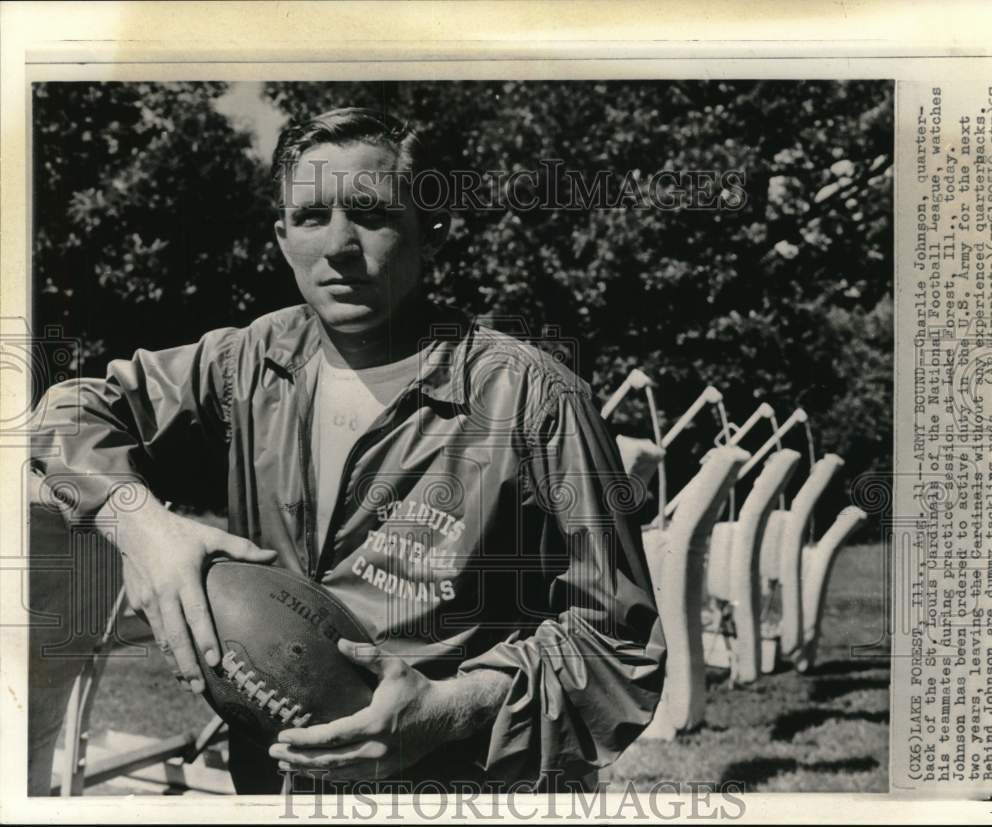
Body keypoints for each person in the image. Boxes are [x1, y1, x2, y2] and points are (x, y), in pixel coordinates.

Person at [29, 107, 666, 795]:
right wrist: (142, 527)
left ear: (431, 228)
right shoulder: (246, 364)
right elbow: (66, 414)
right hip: (273, 792)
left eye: (371, 213)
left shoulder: (533, 399)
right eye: (311, 217)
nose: (338, 245)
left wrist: (454, 708)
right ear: (282, 238)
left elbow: (618, 646)